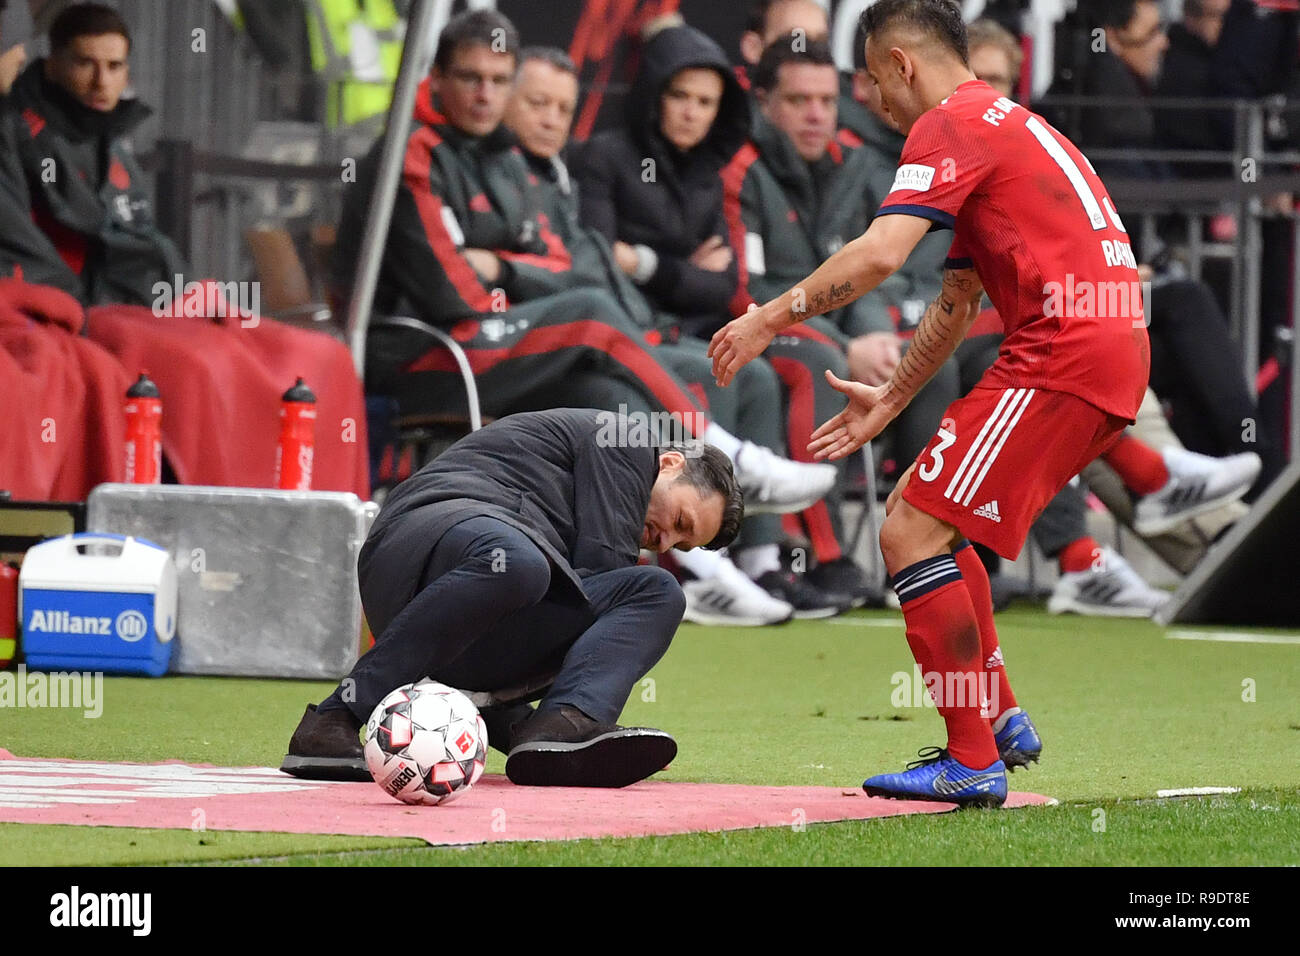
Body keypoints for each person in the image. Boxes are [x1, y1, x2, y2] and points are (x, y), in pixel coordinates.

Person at [710, 0, 1153, 806]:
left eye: (876, 81)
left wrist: (767, 319)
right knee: (933, 518)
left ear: (902, 64)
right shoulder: (1010, 124)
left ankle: (971, 756)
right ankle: (1001, 719)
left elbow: (880, 256)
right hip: (1099, 347)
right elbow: (956, 296)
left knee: (907, 528)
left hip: (1062, 351)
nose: (874, 102)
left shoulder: (949, 124)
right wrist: (890, 399)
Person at [331, 10, 834, 534]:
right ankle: (720, 457)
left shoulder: (505, 157)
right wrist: (526, 277)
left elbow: (574, 265)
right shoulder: (410, 151)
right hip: (419, 354)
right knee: (592, 316)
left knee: (609, 400)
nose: (486, 94)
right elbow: (454, 294)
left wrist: (502, 265)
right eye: (470, 78)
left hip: (500, 342)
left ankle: (698, 565)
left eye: (499, 80)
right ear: (435, 78)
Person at [503, 45, 859, 623]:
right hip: (563, 342)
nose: (692, 112)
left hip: (624, 330)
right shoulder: (598, 159)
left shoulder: (699, 169)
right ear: (652, 98)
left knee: (750, 373)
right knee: (681, 376)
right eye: (680, 96)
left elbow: (719, 287)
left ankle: (759, 559)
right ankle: (694, 564)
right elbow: (589, 268)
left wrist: (643, 261)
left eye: (706, 102)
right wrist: (671, 265)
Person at [6, 3, 369, 496]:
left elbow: (144, 240)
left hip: (154, 301)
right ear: (50, 63)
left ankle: (325, 518)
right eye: (85, 63)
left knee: (323, 356)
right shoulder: (19, 134)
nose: (100, 82)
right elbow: (51, 256)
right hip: (99, 310)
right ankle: (220, 520)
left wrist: (183, 290)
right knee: (202, 367)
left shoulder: (111, 139)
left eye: (114, 67)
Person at [282, 407, 742, 789]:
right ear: (670, 464)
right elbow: (600, 571)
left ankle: (558, 728)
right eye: (680, 520)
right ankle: (334, 716)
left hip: (470, 612)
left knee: (658, 591)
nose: (665, 543)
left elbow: (575, 603)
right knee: (527, 565)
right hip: (420, 542)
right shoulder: (625, 436)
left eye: (681, 545)